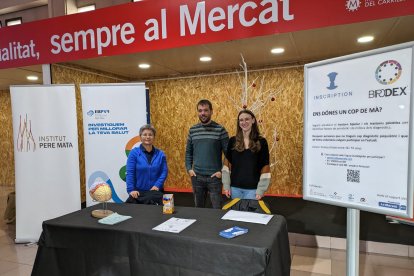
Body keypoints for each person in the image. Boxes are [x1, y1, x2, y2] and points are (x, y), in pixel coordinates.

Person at [185, 99, 229, 208]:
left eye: (205, 110)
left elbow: (229, 154)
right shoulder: (193, 130)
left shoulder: (220, 130)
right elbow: (188, 152)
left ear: (211, 111)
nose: (203, 113)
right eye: (200, 111)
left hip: (215, 178)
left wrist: (221, 172)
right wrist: (189, 169)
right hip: (197, 177)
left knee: (217, 210)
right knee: (199, 210)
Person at [222, 109, 271, 200]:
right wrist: (226, 185)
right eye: (241, 120)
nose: (244, 122)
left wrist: (261, 189)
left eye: (247, 119)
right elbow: (226, 166)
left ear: (253, 120)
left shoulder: (262, 142)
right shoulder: (232, 141)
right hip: (234, 189)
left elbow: (265, 167)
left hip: (253, 190)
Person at [126, 124, 168, 204]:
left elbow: (164, 172)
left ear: (154, 137)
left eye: (150, 135)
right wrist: (131, 190)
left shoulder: (161, 154)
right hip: (139, 193)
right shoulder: (134, 153)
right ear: (140, 137)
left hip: (155, 192)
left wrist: (157, 186)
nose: (148, 137)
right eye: (145, 134)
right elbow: (130, 173)